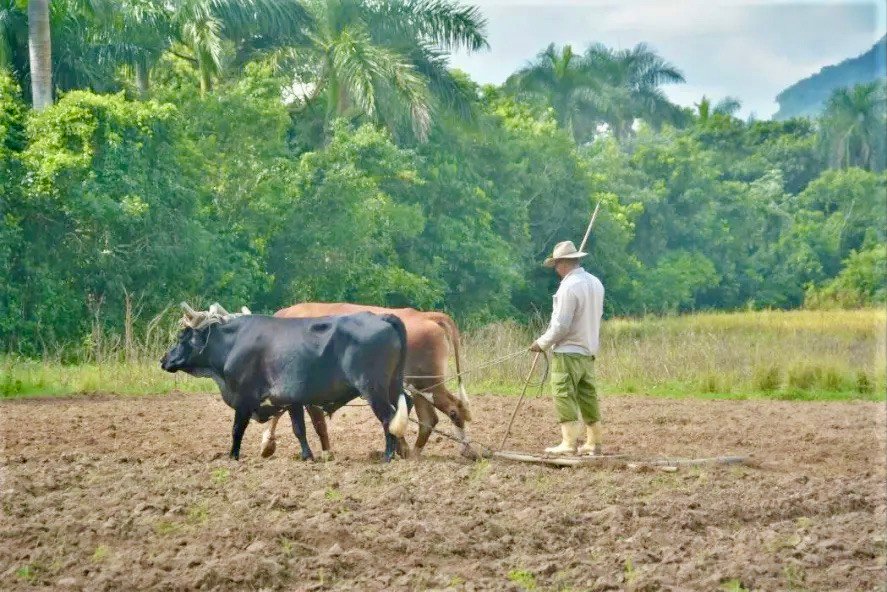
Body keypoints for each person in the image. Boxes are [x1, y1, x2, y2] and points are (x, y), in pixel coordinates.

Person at [530, 240, 605, 455]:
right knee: (587, 397)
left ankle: (568, 443)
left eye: (556, 264)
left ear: (563, 263)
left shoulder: (568, 287)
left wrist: (542, 343)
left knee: (563, 394)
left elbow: (561, 326)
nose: (555, 269)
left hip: (568, 352)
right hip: (588, 352)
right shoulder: (596, 283)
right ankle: (594, 442)